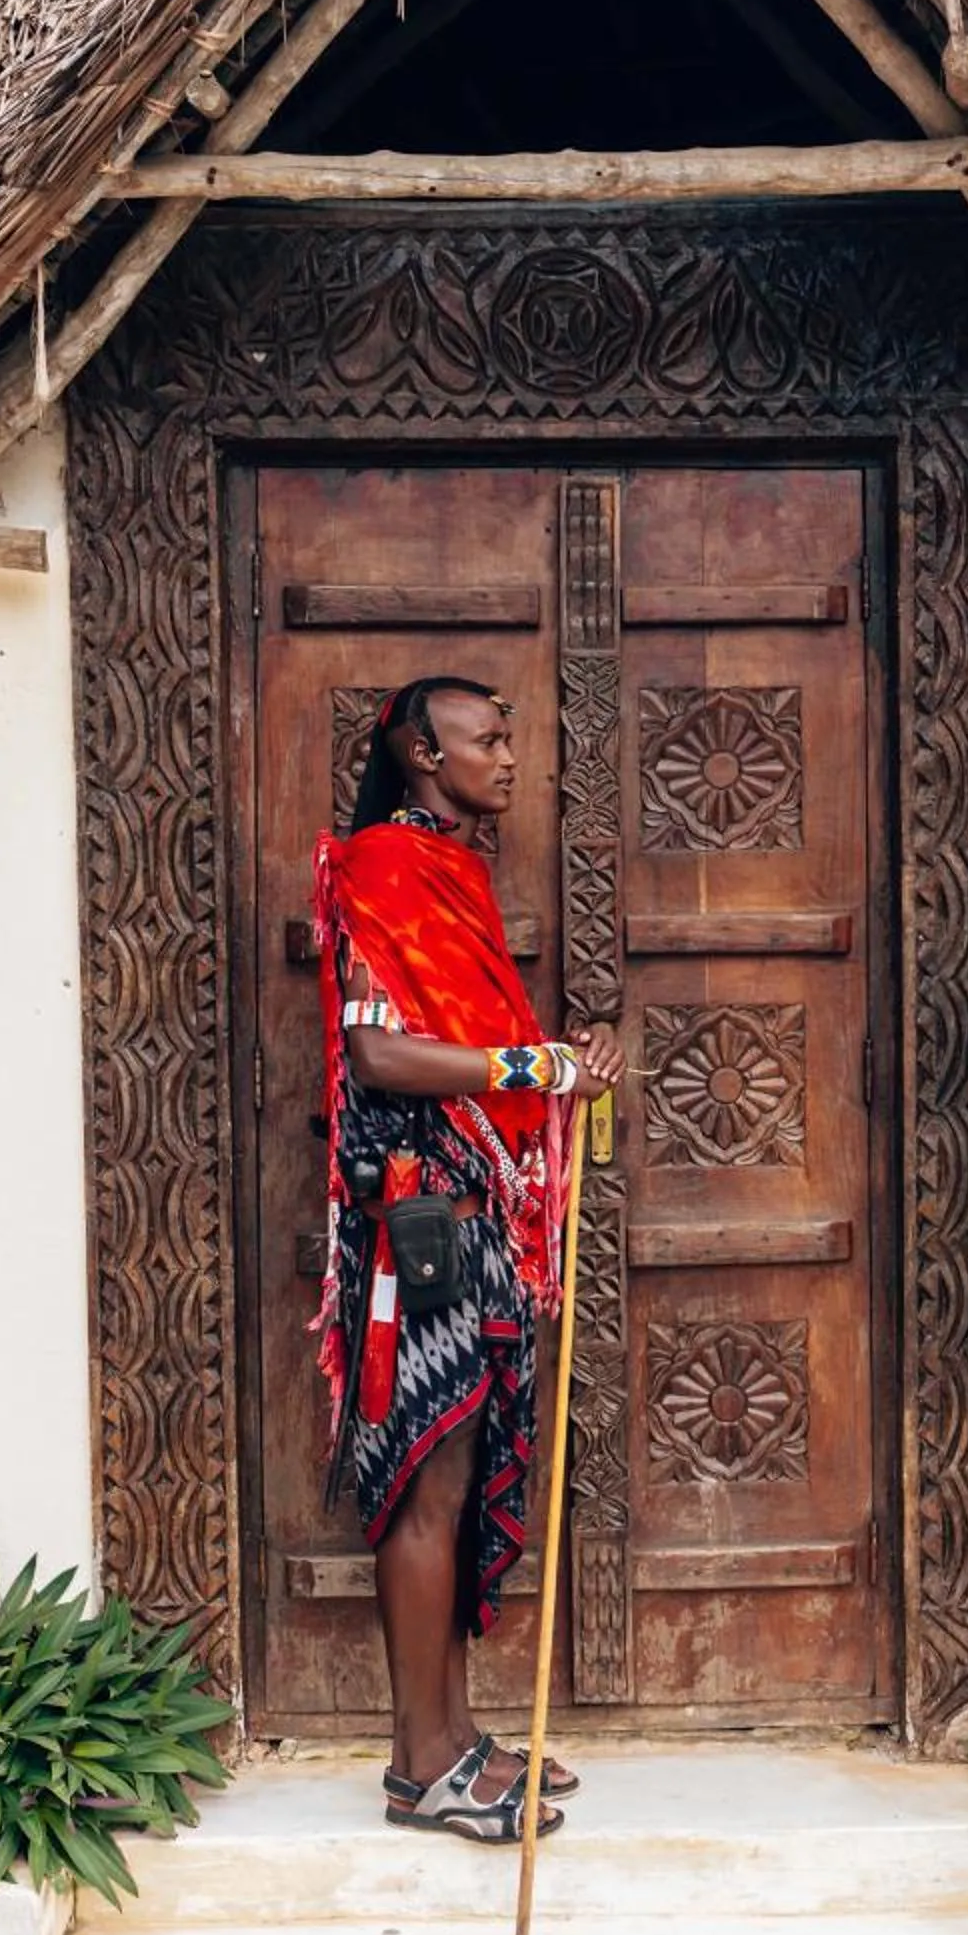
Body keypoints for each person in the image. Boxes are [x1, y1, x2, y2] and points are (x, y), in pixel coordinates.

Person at [310, 675, 622, 1845]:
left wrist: (551, 1059)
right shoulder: (385, 866)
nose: (509, 754)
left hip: (472, 1210)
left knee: (456, 1467)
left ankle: (454, 1737)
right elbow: (385, 1057)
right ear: (419, 751)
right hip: (419, 1223)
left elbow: (483, 1043)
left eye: (509, 733)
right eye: (487, 738)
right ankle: (424, 1766)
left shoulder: (453, 868)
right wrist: (539, 1070)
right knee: (425, 1481)